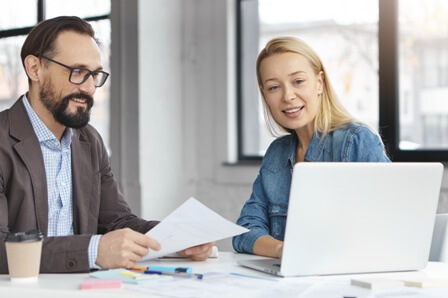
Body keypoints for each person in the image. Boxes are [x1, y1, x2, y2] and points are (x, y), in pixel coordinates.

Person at [0, 16, 213, 274]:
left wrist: (175, 238)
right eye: (78, 72)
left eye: (95, 74)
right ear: (35, 69)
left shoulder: (89, 140)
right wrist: (94, 251)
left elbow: (117, 221)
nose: (90, 88)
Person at [232, 37, 390, 258]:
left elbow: (390, 226)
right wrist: (282, 250)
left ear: (319, 83)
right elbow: (245, 230)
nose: (287, 96)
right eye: (274, 87)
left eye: (298, 81)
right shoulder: (276, 154)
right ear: (265, 95)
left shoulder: (355, 141)